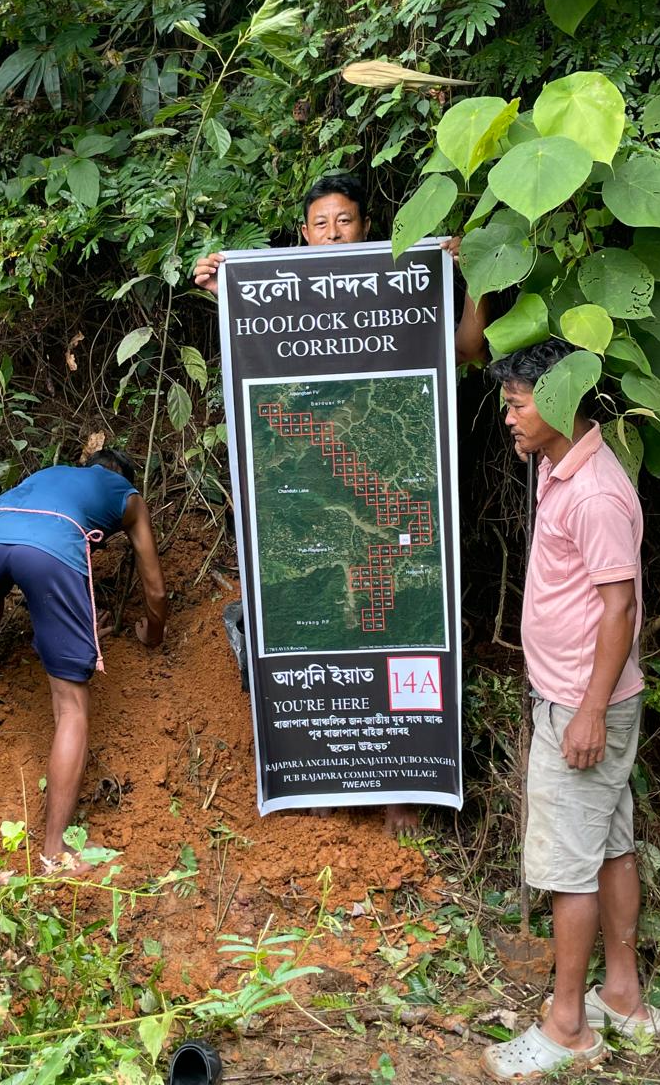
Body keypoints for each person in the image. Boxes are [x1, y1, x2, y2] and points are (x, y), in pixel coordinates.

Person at [193, 171, 488, 835]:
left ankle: (401, 797)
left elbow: (467, 349)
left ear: (366, 227)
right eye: (321, 224)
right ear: (303, 234)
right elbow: (257, 362)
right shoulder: (278, 301)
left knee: (397, 628)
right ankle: (316, 790)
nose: (333, 233)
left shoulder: (400, 285)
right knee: (315, 628)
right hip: (308, 510)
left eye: (345, 222)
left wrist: (476, 279)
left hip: (394, 504)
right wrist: (223, 292)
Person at [482, 339, 660, 1081]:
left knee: (569, 869)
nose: (507, 416)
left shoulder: (593, 493)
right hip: (581, 700)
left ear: (558, 401)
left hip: (583, 709)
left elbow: (618, 607)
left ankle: (568, 1028)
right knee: (611, 845)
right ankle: (621, 998)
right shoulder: (563, 469)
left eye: (518, 402)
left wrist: (587, 712)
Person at [0, 449, 167, 873]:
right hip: (48, 552)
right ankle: (55, 849)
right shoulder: (127, 497)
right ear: (123, 479)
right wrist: (153, 632)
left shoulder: (53, 472)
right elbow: (157, 592)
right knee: (72, 705)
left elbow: (21, 543)